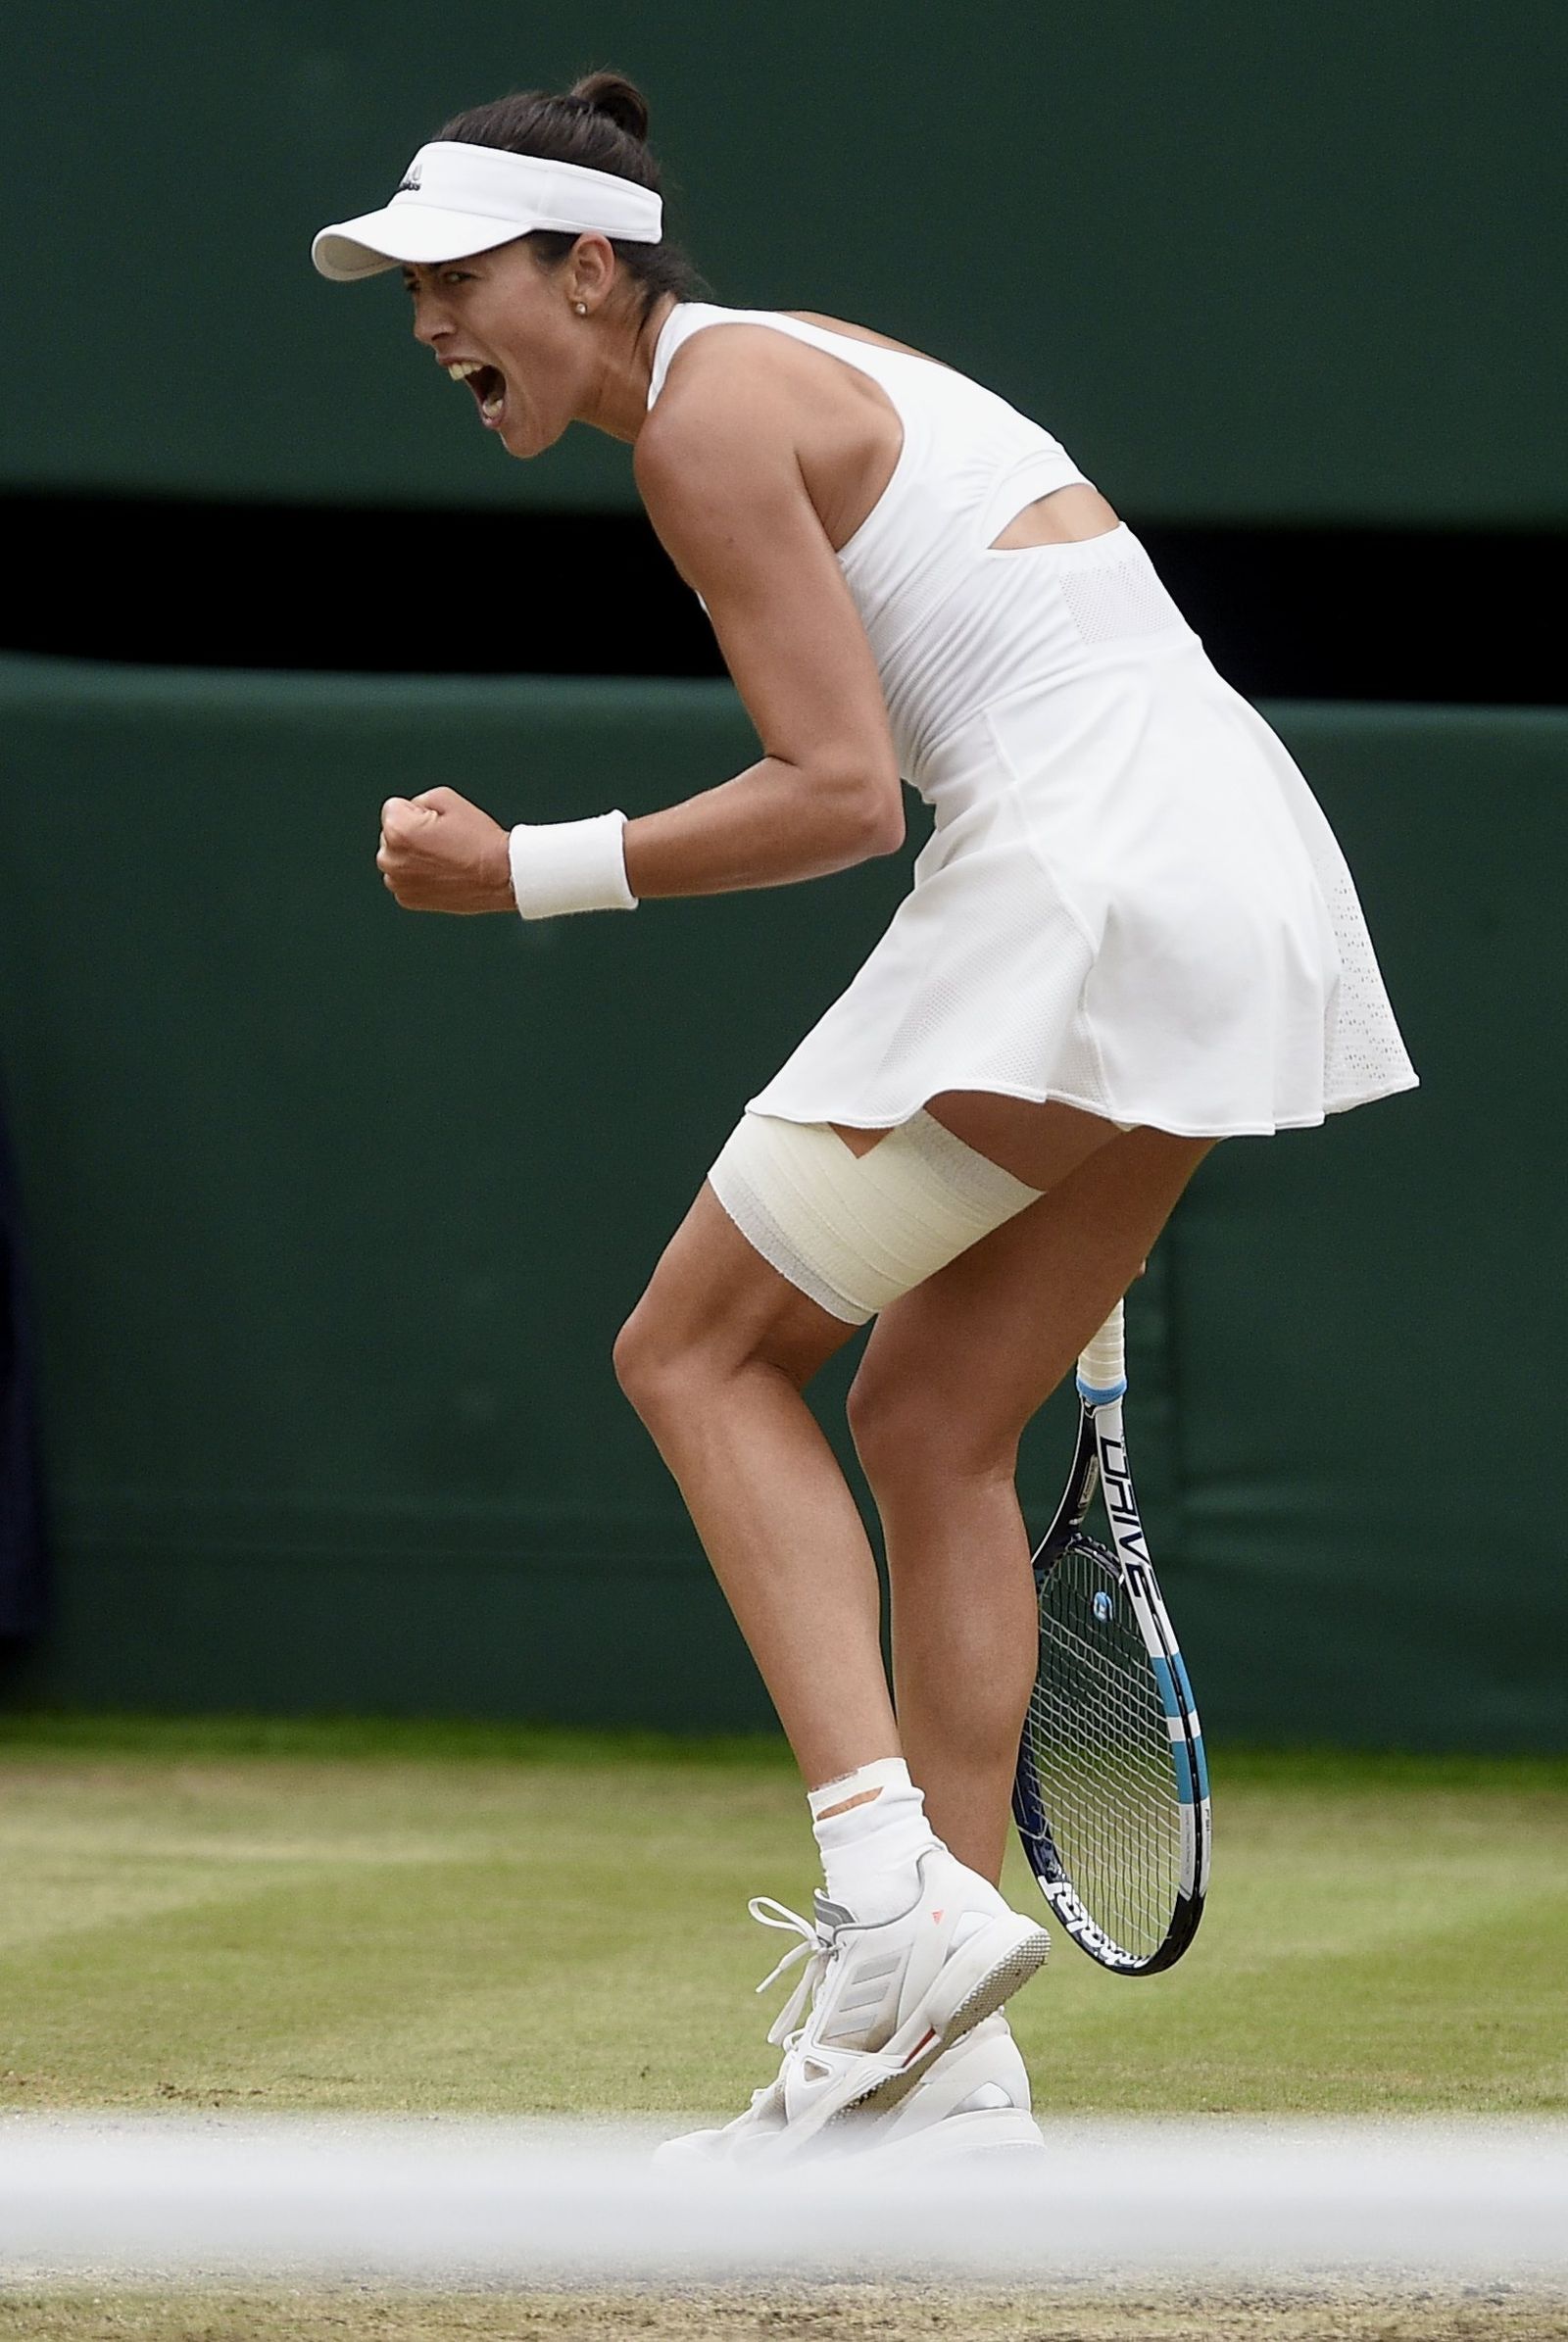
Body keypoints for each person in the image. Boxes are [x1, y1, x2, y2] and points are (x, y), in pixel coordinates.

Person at [313, 70, 1417, 2165]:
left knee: (694, 1350)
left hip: (1087, 863)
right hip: (1220, 860)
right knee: (921, 1422)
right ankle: (942, 2072)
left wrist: (517, 870)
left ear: (586, 262)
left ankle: (891, 1902)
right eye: (411, 289)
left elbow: (834, 797)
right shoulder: (803, 360)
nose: (436, 319)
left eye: (465, 274)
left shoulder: (712, 421)